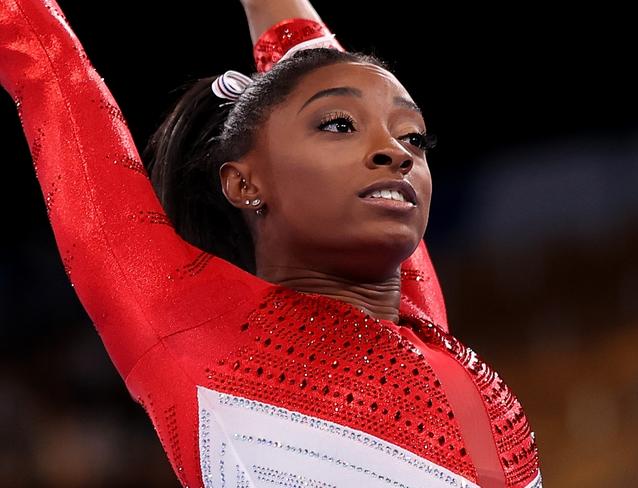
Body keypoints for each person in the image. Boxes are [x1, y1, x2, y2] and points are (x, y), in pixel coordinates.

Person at [0, 0, 542, 486]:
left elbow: (300, 42)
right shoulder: (189, 330)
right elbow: (48, 69)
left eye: (412, 137)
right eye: (338, 125)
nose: (397, 153)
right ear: (243, 182)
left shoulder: (431, 339)